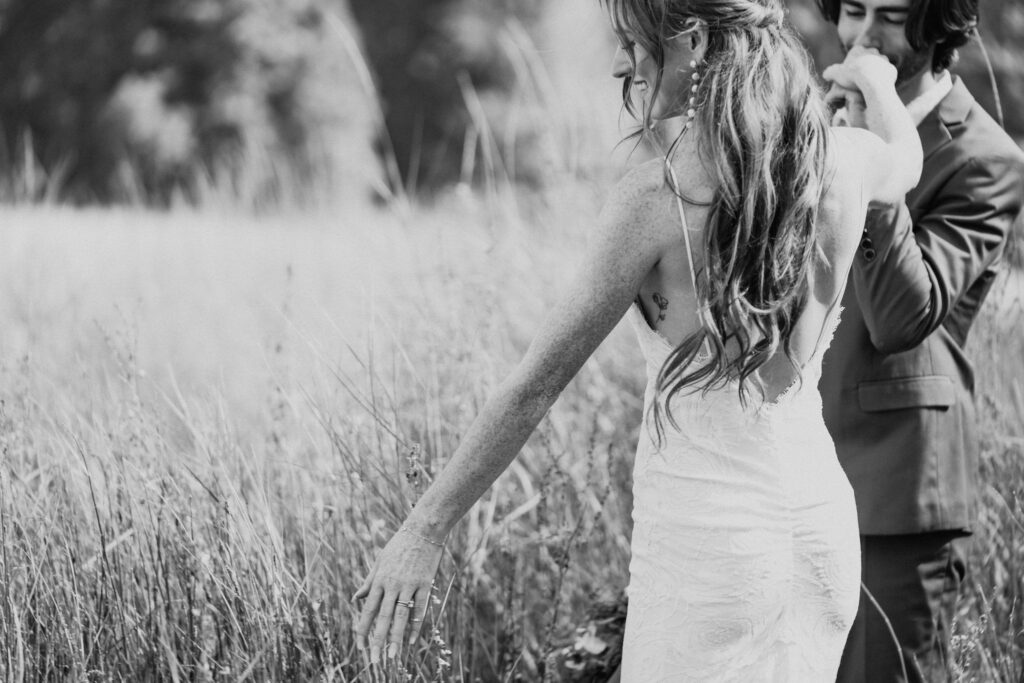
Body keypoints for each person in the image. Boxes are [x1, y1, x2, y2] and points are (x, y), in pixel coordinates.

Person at [353, 0, 923, 679]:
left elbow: (536, 384)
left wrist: (423, 530)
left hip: (708, 546)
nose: (624, 62)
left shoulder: (660, 195)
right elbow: (907, 158)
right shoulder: (841, 162)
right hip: (819, 535)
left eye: (635, 42)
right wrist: (875, 80)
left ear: (696, 40)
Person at [815, 0, 1024, 681]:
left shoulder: (985, 157)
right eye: (853, 11)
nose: (864, 37)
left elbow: (903, 317)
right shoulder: (815, 124)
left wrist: (878, 152)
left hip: (898, 495)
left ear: (939, 24)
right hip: (790, 474)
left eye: (894, 16)